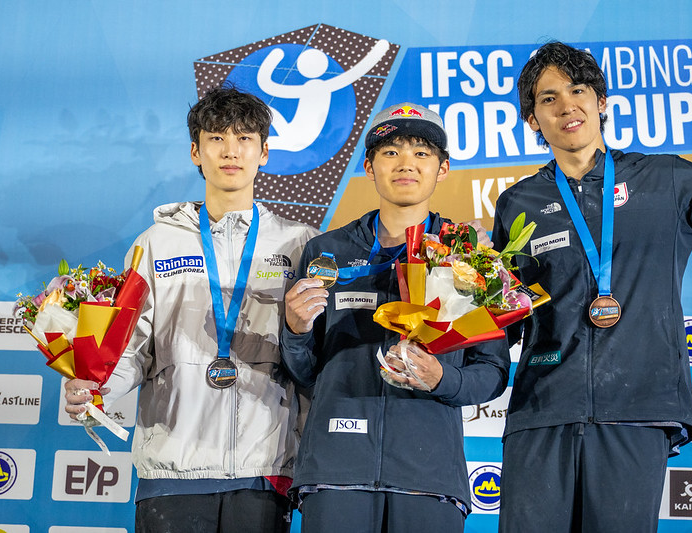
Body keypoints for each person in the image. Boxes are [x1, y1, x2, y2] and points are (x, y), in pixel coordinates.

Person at [491, 41, 692, 533]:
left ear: (601, 102)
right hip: (542, 411)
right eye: (548, 98)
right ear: (533, 120)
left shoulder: (666, 178)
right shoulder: (517, 202)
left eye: (578, 90)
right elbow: (503, 318)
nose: (567, 105)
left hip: (637, 408)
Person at [64, 86, 319, 533]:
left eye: (244, 139)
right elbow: (132, 349)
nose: (230, 151)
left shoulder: (299, 243)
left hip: (263, 468)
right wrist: (95, 387)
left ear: (264, 153)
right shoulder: (154, 243)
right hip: (172, 468)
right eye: (216, 138)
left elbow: (313, 357)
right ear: (195, 152)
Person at [280, 102, 510, 533]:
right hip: (336, 469)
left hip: (429, 475)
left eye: (421, 152)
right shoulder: (326, 251)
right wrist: (295, 330)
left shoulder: (469, 255)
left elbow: (493, 372)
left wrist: (441, 378)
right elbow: (305, 372)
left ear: (443, 168)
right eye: (391, 152)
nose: (406, 163)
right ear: (369, 167)